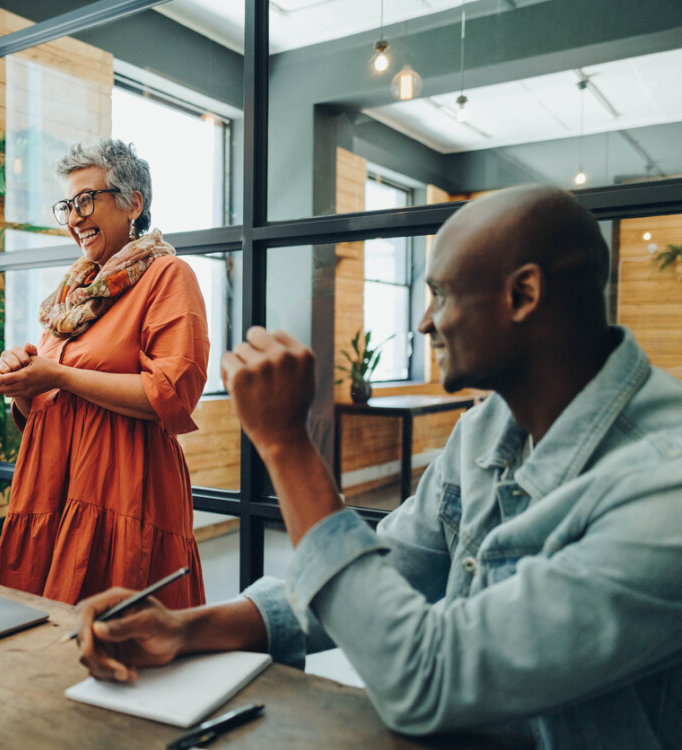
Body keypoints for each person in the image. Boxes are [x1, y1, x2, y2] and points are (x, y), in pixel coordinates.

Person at [73, 185, 682, 747]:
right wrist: (187, 629)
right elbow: (380, 572)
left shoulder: (663, 492)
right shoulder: (485, 431)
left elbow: (427, 678)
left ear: (523, 295)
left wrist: (287, 445)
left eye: (440, 294)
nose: (423, 324)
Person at [0, 138, 208, 608]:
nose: (73, 218)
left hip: (123, 492)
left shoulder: (168, 276)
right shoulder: (73, 295)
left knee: (121, 643)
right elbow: (43, 408)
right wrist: (21, 383)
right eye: (67, 205)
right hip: (51, 489)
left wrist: (59, 376)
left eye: (86, 199)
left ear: (134, 203)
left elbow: (169, 394)